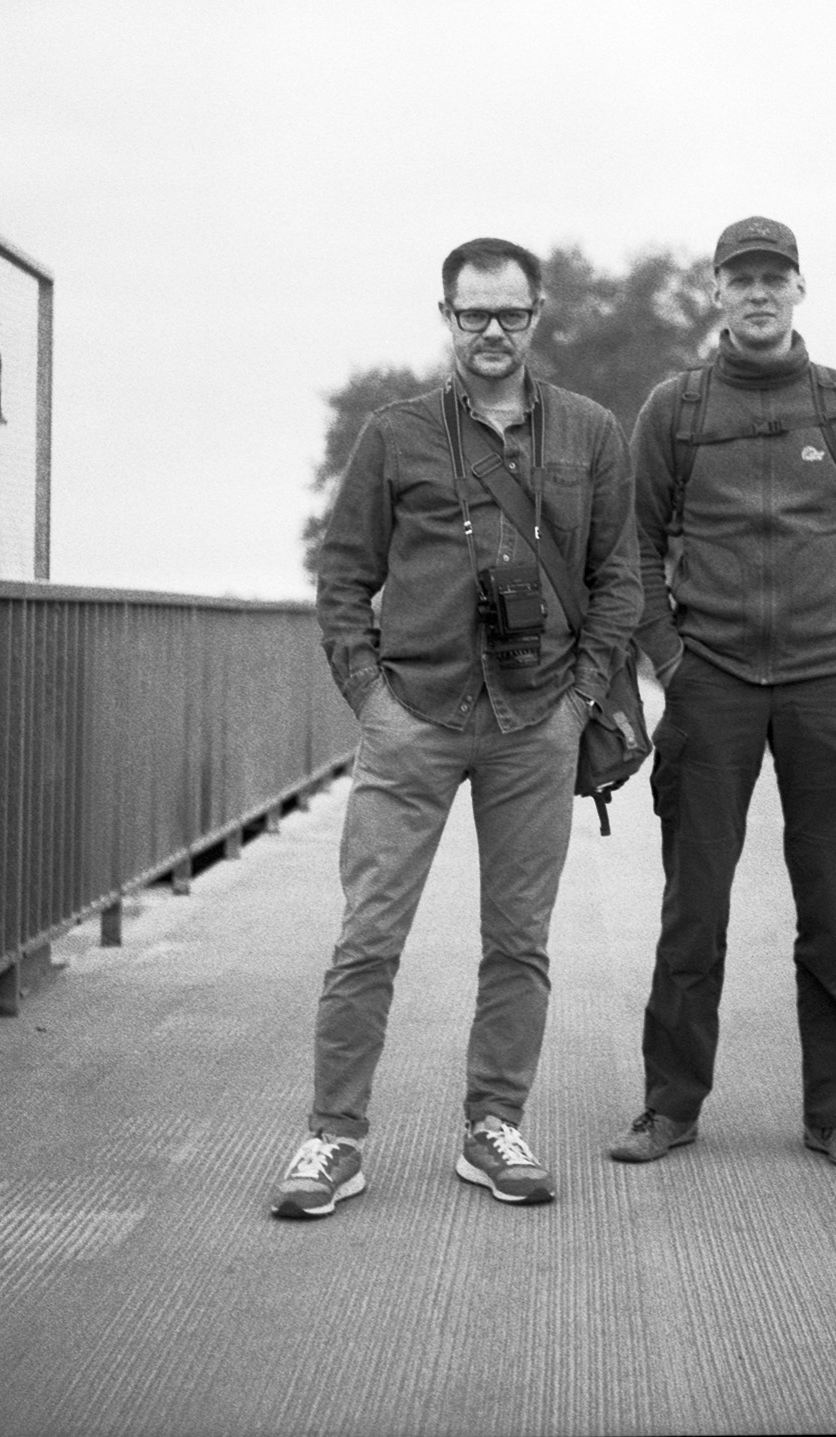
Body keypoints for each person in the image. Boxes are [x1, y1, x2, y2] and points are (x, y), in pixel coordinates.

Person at [271, 237, 642, 1218]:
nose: (492, 331)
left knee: (518, 941)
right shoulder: (395, 435)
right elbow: (343, 576)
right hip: (416, 715)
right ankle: (334, 1137)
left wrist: (578, 701)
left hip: (537, 719)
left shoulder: (592, 432)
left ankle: (493, 1126)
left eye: (510, 313)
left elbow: (619, 580)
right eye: (473, 313)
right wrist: (371, 698)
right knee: (368, 937)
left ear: (537, 316)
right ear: (447, 317)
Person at [608, 214, 836, 1174]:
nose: (757, 292)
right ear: (716, 291)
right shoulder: (674, 410)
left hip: (830, 681)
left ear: (797, 289)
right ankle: (669, 1107)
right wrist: (673, 662)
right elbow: (632, 547)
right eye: (740, 278)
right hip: (714, 682)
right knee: (693, 909)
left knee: (831, 912)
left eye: (773, 277)